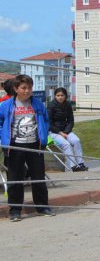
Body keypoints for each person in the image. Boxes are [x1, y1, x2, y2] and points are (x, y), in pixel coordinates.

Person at [0, 74, 54, 221]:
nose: (27, 91)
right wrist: (3, 137)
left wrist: (42, 135)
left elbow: (46, 120)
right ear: (16, 89)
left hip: (34, 145)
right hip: (14, 146)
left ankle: (42, 207)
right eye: (23, 88)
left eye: (29, 88)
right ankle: (15, 210)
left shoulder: (37, 104)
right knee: (15, 178)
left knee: (38, 177)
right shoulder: (6, 106)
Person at [47, 87, 87, 171]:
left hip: (66, 130)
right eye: (58, 95)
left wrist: (66, 132)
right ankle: (73, 166)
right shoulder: (51, 105)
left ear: (65, 96)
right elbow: (49, 123)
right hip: (54, 132)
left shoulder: (68, 105)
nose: (60, 97)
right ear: (55, 96)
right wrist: (60, 133)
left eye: (62, 95)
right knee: (66, 144)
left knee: (76, 141)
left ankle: (80, 163)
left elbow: (71, 121)